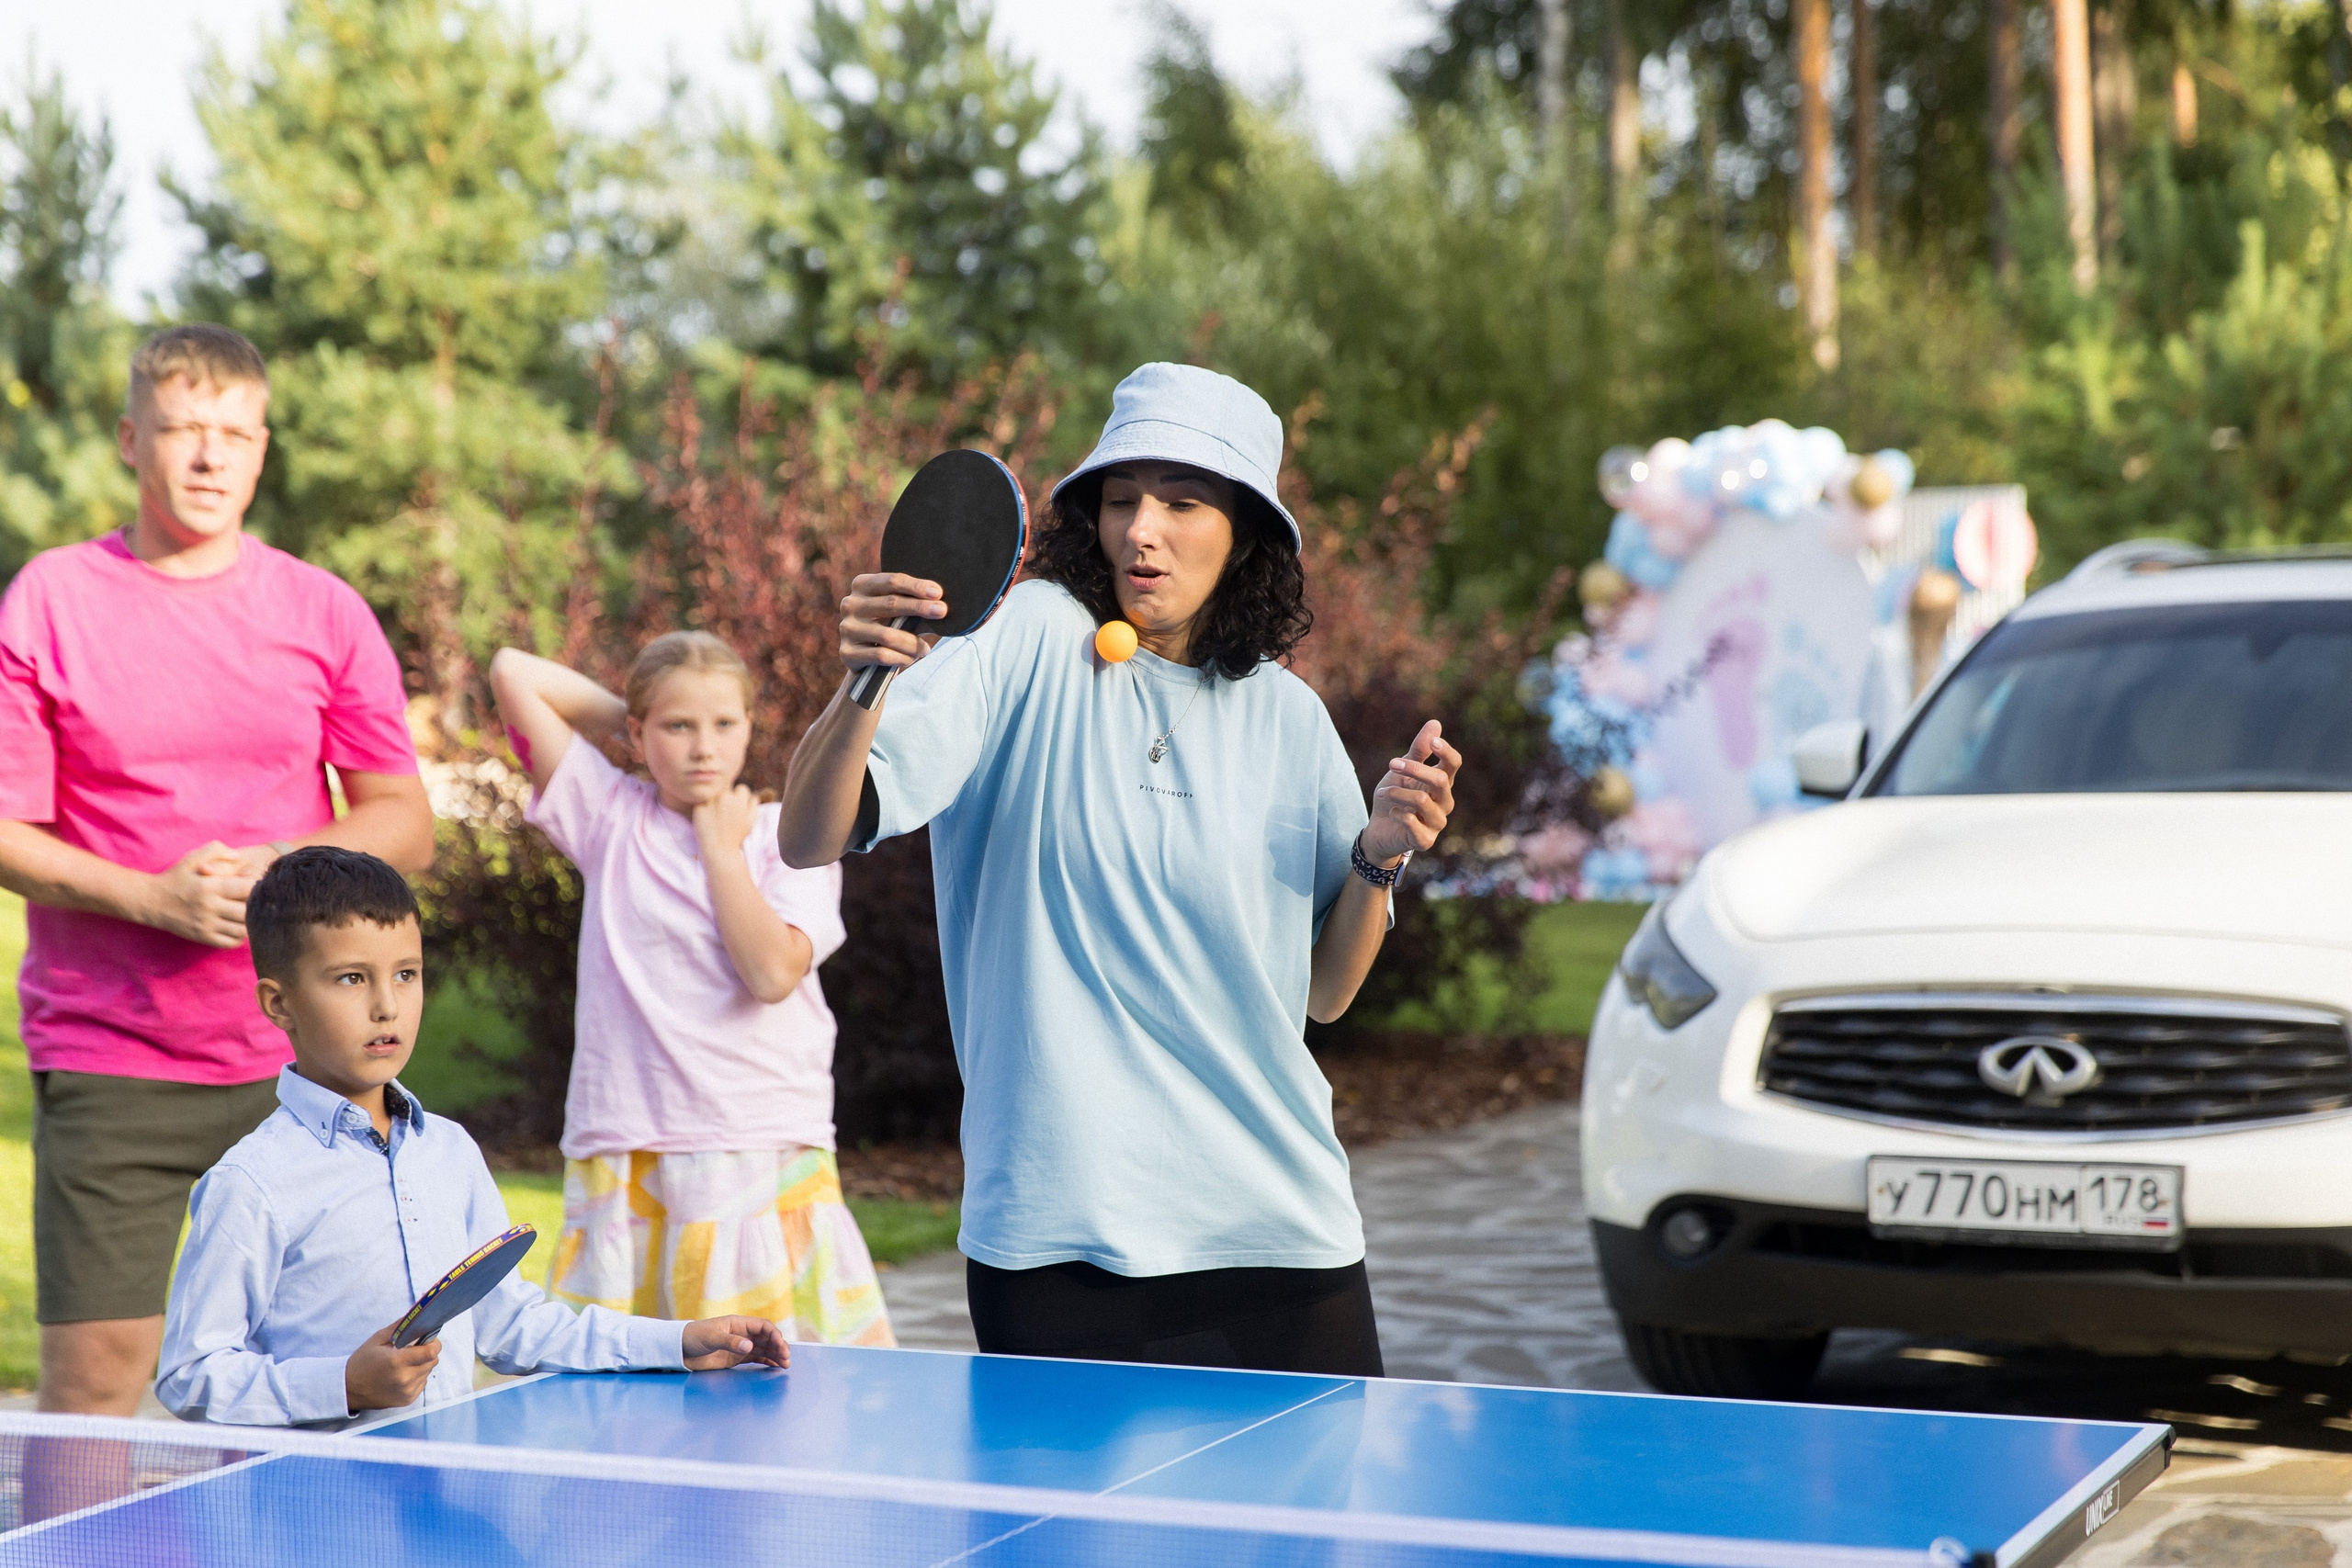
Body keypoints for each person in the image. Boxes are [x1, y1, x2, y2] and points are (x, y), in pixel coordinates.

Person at [778, 362, 1461, 1376]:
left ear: (1245, 534)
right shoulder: (1032, 638)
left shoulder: (1287, 717)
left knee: (1305, 1541)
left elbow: (1322, 995)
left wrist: (1378, 857)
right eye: (1121, 498)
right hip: (1057, 1238)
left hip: (1278, 1231)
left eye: (1182, 502)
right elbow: (808, 834)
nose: (1142, 528)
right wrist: (866, 681)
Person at [0, 325, 433, 1422]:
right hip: (114, 1057)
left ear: (262, 447)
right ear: (129, 440)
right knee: (97, 1388)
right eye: (186, 429)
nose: (209, 456)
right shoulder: (50, 599)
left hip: (306, 1057)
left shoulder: (321, 608)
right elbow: (6, 826)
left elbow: (403, 816)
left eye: (235, 433)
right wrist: (150, 897)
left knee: (324, 1385)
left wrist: (289, 867)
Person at [155, 848, 790, 1427]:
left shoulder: (450, 1152)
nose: (387, 1005)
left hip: (442, 1503)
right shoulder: (251, 1182)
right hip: (320, 1516)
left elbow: (511, 1323)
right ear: (279, 1003)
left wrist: (677, 1343)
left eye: (407, 973)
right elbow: (189, 1374)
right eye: (351, 978)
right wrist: (342, 1383)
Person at [488, 634, 894, 1346]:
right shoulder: (608, 815)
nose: (703, 745)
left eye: (723, 723)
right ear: (641, 734)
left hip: (761, 1144)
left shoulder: (789, 837)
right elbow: (512, 672)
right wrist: (637, 717)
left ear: (749, 727)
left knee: (778, 1390)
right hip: (631, 1145)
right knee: (629, 1384)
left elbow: (770, 973)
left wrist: (718, 848)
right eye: (678, 726)